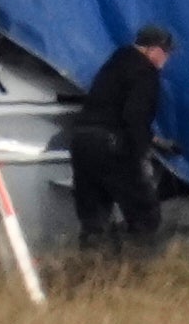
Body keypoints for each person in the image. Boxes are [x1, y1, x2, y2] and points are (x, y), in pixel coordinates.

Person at [65, 24, 177, 255]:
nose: (166, 58)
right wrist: (141, 153)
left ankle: (90, 272)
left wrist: (154, 139)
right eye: (166, 52)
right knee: (145, 215)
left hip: (82, 142)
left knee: (94, 219)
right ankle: (133, 270)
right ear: (153, 50)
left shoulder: (115, 64)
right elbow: (134, 117)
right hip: (112, 146)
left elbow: (110, 108)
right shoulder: (145, 72)